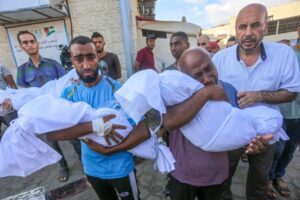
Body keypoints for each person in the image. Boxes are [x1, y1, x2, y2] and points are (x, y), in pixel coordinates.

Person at [212, 4, 300, 200]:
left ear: (266, 26)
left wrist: (259, 96)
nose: (248, 33)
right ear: (236, 30)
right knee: (222, 180)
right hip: (230, 132)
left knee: (259, 183)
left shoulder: (283, 55)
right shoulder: (220, 59)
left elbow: (291, 92)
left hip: (266, 135)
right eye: (242, 27)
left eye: (255, 25)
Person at [47, 36, 150, 200]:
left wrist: (110, 149)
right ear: (71, 62)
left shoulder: (118, 90)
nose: (86, 65)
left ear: (98, 57)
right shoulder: (68, 94)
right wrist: (93, 126)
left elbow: (144, 131)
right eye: (79, 59)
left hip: (121, 168)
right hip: (92, 169)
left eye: (91, 57)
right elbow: (52, 134)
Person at [163, 47, 271, 200]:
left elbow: (238, 125)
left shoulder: (228, 89)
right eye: (197, 75)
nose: (207, 78)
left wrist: (253, 144)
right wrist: (207, 93)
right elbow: (169, 123)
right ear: (184, 78)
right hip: (183, 173)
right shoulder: (175, 93)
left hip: (216, 174)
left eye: (208, 68)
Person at [16, 30, 80, 182]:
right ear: (21, 46)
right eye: (25, 43)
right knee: (52, 141)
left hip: (59, 110)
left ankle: (84, 163)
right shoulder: (22, 70)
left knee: (74, 137)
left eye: (32, 41)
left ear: (37, 43)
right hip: (41, 115)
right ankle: (62, 165)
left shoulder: (53, 64)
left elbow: (66, 84)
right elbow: (23, 95)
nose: (30, 45)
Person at [268, 44, 300, 199]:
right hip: (280, 113)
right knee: (275, 150)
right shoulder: (285, 54)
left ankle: (278, 176)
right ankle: (267, 179)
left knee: (290, 150)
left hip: (298, 115)